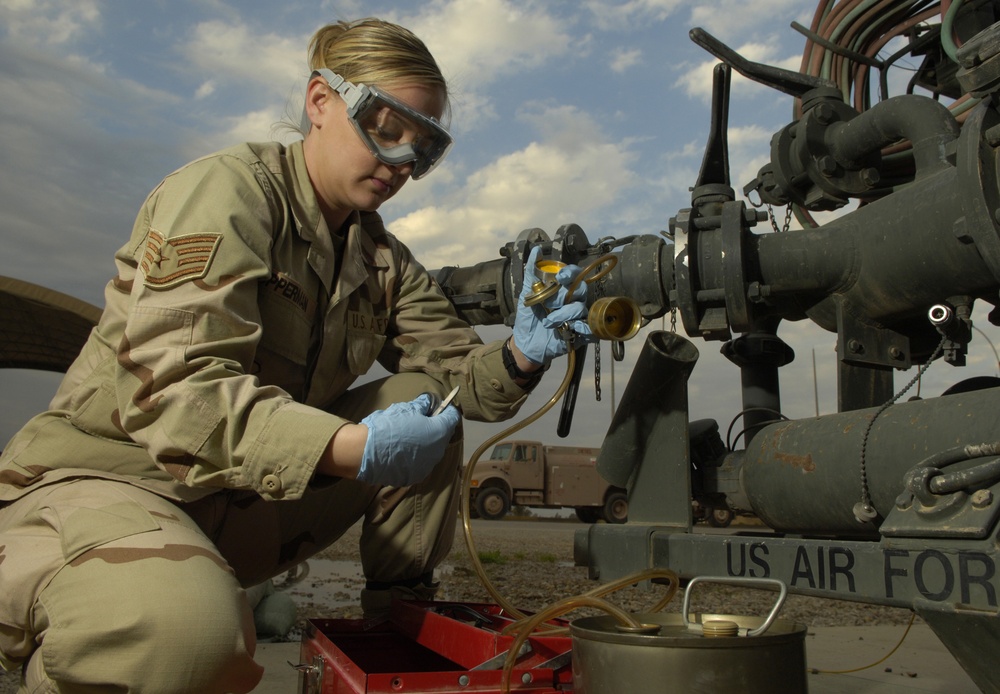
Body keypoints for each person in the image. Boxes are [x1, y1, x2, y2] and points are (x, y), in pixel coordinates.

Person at [0, 17, 591, 694]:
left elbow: (469, 384)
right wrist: (348, 446)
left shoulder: (381, 260)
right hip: (114, 484)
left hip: (234, 505)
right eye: (386, 128)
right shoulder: (231, 194)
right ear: (320, 102)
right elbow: (176, 393)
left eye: (423, 149)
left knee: (430, 404)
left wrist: (521, 353)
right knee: (184, 636)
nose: (401, 162)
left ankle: (400, 623)